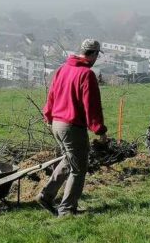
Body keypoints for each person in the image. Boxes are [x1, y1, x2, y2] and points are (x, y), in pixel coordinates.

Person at [36, 39, 108, 217]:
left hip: (56, 123)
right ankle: (66, 209)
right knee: (78, 169)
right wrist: (100, 131)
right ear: (93, 54)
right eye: (97, 55)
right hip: (72, 126)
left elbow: (52, 94)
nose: (96, 59)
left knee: (69, 160)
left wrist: (48, 115)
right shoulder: (86, 74)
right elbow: (91, 106)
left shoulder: (63, 68)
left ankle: (46, 196)